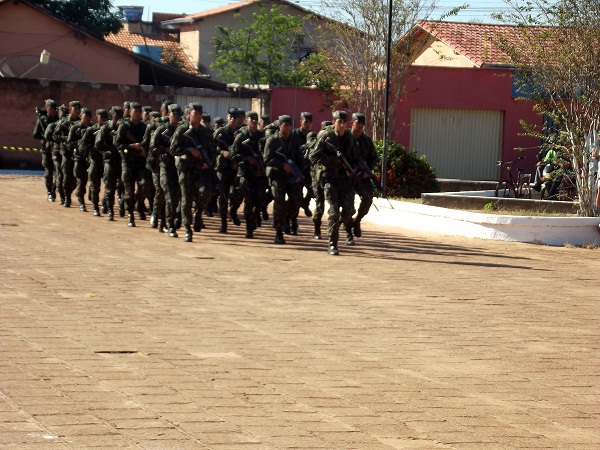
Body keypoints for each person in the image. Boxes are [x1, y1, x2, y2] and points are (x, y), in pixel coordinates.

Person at [309, 110, 359, 255]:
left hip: (345, 180)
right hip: (329, 178)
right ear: (333, 122)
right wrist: (333, 160)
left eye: (344, 122)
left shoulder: (349, 137)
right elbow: (313, 157)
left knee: (349, 210)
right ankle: (332, 243)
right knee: (334, 210)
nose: (342, 125)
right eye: (339, 122)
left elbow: (357, 157)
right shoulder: (326, 136)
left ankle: (337, 224)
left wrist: (352, 169)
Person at [170, 102, 216, 242]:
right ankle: (187, 229)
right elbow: (173, 149)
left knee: (206, 192)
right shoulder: (182, 130)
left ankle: (198, 213)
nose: (198, 116)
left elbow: (212, 151)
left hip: (200, 168)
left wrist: (208, 163)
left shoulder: (205, 132)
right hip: (185, 168)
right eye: (195, 113)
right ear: (189, 114)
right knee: (186, 198)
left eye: (200, 114)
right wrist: (189, 150)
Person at [263, 115, 305, 244]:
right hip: (278, 176)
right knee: (279, 202)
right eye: (285, 125)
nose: (287, 127)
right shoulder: (273, 140)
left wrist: (299, 174)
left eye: (290, 125)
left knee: (297, 200)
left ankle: (287, 218)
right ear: (279, 126)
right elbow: (267, 159)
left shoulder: (295, 139)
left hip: (292, 177)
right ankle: (279, 232)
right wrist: (282, 165)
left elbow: (300, 158)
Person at [230, 111, 267, 238]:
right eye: (251, 119)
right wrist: (246, 159)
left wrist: (261, 167)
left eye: (256, 119)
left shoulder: (261, 136)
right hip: (245, 173)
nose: (254, 121)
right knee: (248, 200)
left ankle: (254, 216)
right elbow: (233, 154)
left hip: (258, 174)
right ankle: (249, 228)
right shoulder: (241, 136)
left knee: (261, 198)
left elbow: (266, 154)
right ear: (247, 120)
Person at [115, 102, 148, 227]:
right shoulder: (124, 126)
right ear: (130, 112)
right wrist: (131, 146)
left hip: (140, 163)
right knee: (128, 191)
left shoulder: (144, 127)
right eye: (135, 111)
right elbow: (118, 145)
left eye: (139, 111)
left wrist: (144, 150)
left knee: (144, 185)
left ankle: (138, 204)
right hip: (128, 162)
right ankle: (130, 215)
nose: (137, 113)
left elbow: (148, 143)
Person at [153, 103, 184, 237]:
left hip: (179, 168)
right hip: (165, 167)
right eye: (174, 114)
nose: (176, 117)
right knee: (169, 196)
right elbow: (153, 148)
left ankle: (163, 222)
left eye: (179, 115)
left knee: (175, 198)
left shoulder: (183, 130)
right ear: (168, 114)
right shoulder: (162, 130)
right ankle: (170, 225)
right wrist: (165, 149)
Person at [347, 112, 378, 240]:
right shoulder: (345, 138)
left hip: (362, 176)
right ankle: (348, 233)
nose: (360, 125)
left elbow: (373, 158)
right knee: (348, 206)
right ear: (351, 123)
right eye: (358, 122)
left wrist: (368, 171)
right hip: (347, 177)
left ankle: (357, 220)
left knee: (368, 198)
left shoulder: (366, 141)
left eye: (362, 123)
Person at [213, 107, 244, 233]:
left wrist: (238, 162)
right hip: (222, 168)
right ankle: (223, 222)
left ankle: (233, 210)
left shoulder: (241, 133)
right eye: (231, 117)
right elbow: (211, 147)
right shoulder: (220, 132)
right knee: (223, 195)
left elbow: (244, 150)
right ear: (227, 117)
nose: (233, 119)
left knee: (239, 192)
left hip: (236, 169)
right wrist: (221, 152)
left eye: (235, 117)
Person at [95, 106, 122, 221]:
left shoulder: (123, 127)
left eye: (120, 115)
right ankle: (110, 209)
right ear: (111, 116)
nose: (118, 118)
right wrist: (109, 149)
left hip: (121, 161)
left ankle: (119, 206)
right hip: (110, 161)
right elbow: (98, 144)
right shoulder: (106, 128)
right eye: (116, 115)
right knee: (110, 186)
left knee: (122, 186)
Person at [53, 100, 81, 207]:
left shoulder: (81, 122)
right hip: (65, 153)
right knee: (64, 175)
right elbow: (55, 136)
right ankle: (65, 197)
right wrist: (66, 138)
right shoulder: (63, 122)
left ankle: (68, 192)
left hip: (76, 153)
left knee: (75, 177)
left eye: (79, 108)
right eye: (75, 108)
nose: (77, 111)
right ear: (70, 109)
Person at [33, 99, 58, 201]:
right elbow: (35, 135)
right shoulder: (42, 120)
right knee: (48, 172)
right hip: (46, 149)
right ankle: (49, 191)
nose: (53, 110)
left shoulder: (58, 119)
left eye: (54, 108)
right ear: (47, 108)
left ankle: (54, 189)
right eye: (51, 108)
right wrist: (44, 136)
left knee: (59, 172)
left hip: (57, 149)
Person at [311, 120, 332, 239]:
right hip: (317, 177)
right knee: (320, 204)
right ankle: (317, 228)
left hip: (329, 177)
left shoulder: (332, 143)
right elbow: (312, 158)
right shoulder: (316, 142)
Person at [293, 111, 316, 220]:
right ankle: (293, 220)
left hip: (308, 169)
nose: (308, 124)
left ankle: (305, 203)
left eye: (310, 122)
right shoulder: (294, 135)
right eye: (306, 122)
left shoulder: (313, 136)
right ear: (300, 121)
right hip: (296, 169)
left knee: (313, 190)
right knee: (296, 196)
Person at [71, 107, 93, 211]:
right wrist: (78, 145)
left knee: (89, 179)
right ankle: (81, 201)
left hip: (90, 158)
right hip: (79, 158)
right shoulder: (75, 128)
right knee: (80, 179)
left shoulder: (92, 128)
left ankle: (89, 195)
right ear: (81, 116)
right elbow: (69, 143)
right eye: (86, 116)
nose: (87, 118)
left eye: (89, 116)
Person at [87, 109, 108, 216]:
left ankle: (105, 202)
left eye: (105, 117)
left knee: (109, 184)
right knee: (95, 185)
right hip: (95, 160)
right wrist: (94, 151)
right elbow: (83, 145)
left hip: (107, 161)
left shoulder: (109, 130)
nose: (104, 119)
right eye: (101, 117)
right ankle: (95, 207)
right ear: (96, 118)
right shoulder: (91, 130)